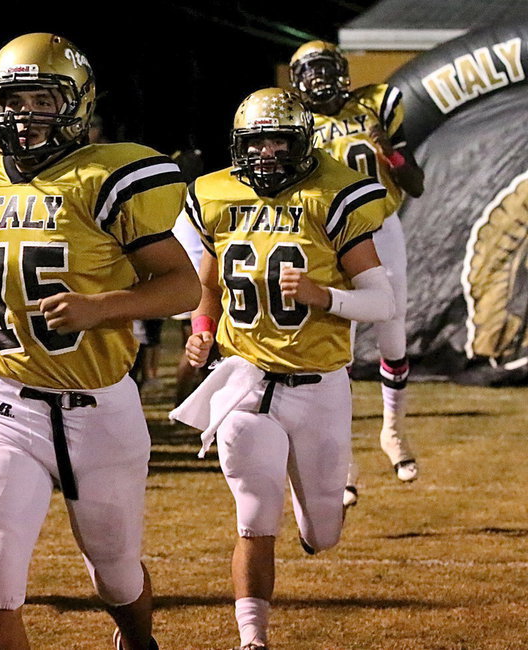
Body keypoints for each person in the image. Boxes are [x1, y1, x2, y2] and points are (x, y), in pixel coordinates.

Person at [0, 33, 200, 650]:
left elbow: (183, 287)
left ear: (78, 104)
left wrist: (103, 306)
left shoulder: (107, 176)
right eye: (11, 99)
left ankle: (138, 639)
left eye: (41, 98)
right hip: (6, 401)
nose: (23, 114)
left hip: (99, 404)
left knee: (113, 571)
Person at [171, 88, 394, 650]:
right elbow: (207, 284)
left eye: (278, 140)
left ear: (302, 144)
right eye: (256, 142)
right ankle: (253, 638)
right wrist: (200, 334)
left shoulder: (334, 194)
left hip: (319, 383)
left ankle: (311, 505)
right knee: (253, 512)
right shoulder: (216, 195)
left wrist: (326, 297)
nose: (267, 152)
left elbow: (382, 301)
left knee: (323, 531)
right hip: (245, 378)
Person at [290, 41, 425, 491]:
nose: (319, 79)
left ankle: (392, 430)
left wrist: (393, 153)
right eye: (309, 72)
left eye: (325, 69)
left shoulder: (377, 105)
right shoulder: (298, 122)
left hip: (382, 229)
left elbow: (416, 184)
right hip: (332, 237)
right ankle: (343, 458)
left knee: (393, 330)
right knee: (337, 343)